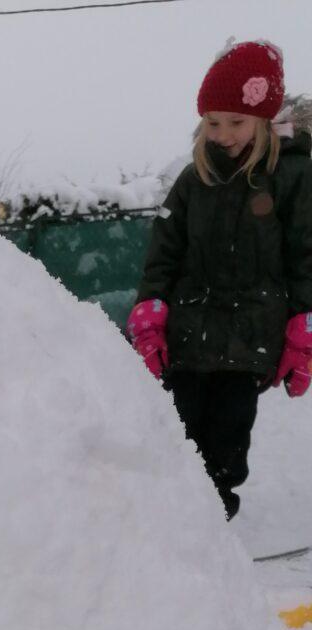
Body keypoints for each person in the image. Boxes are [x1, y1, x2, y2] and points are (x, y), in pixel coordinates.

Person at [127, 39, 312, 519]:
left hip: (251, 332)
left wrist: (304, 321)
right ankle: (174, 514)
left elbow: (306, 253)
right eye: (213, 122)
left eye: (236, 121)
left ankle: (213, 519)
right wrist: (152, 305)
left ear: (264, 120)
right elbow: (165, 248)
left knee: (228, 433)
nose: (223, 134)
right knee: (180, 427)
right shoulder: (195, 178)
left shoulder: (289, 176)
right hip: (190, 330)